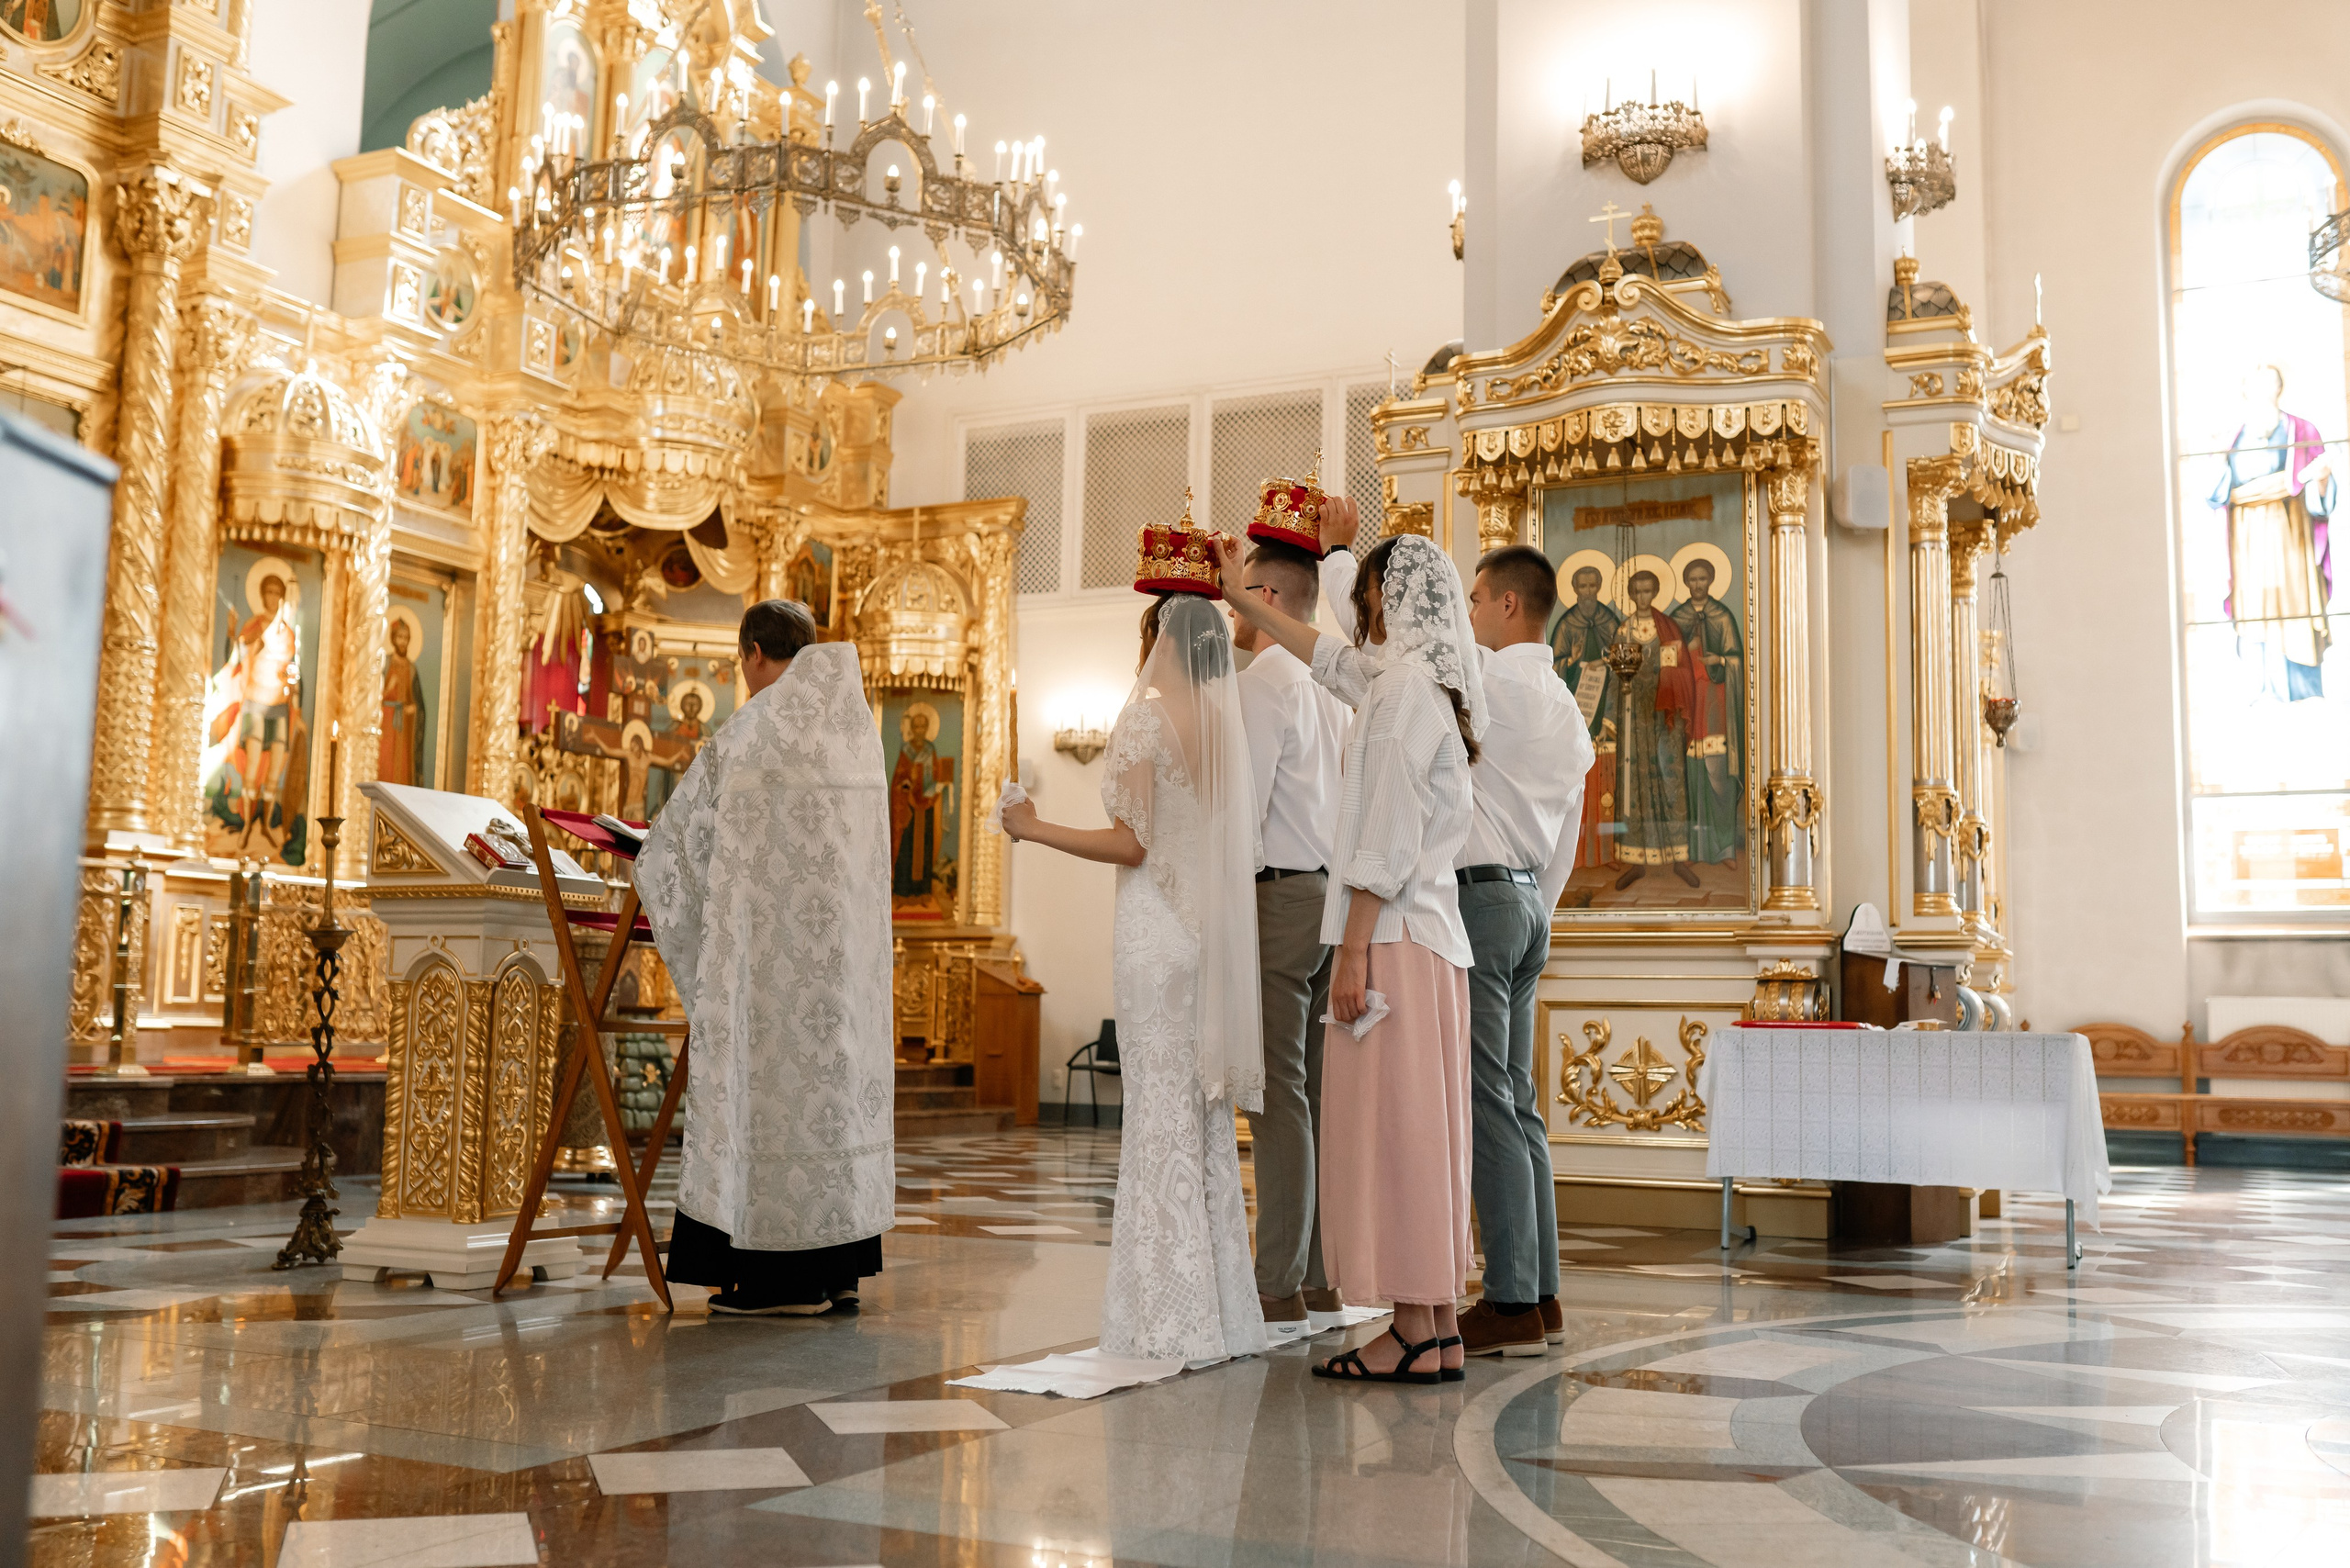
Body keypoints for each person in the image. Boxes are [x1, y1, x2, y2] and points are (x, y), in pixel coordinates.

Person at [1218, 522, 1482, 1385]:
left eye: (1366, 597)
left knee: (1395, 1134)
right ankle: (1435, 1323)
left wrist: (1354, 951)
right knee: (1427, 1134)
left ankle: (1407, 1327)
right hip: (1430, 943)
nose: (1357, 615)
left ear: (1390, 599)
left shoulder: (1404, 693)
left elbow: (1385, 832)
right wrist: (1238, 595)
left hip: (1394, 939)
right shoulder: (1415, 684)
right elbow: (1328, 657)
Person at [1002, 593, 1269, 1363]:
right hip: (1204, 937)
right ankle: (1220, 1309)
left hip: (1155, 935)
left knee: (1157, 1115)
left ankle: (1167, 1312)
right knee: (1204, 1118)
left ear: (1158, 639)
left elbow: (1133, 845)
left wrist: (1034, 829)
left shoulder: (1148, 716)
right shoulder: (1226, 724)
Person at [637, 599, 896, 1316]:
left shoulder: (749, 732)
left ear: (754, 653)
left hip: (767, 983)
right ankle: (838, 1268)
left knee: (770, 1107)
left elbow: (679, 846)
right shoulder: (853, 731)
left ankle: (775, 1283)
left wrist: (646, 856)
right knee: (829, 1109)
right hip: (840, 984)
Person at [1451, 545, 1594, 1357]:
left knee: (1489, 1104)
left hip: (1481, 899)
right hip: (1533, 903)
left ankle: (1507, 1303)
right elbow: (1568, 840)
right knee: (1522, 1100)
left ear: (1508, 605)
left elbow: (1380, 656)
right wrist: (1535, 909)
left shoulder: (1486, 678)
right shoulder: (1566, 707)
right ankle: (1541, 1295)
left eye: (1475, 599)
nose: (1467, 613)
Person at [1227, 538, 1348, 1338]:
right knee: (1311, 1093)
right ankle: (1317, 1277)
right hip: (1331, 898)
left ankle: (1276, 1281)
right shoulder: (1330, 682)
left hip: (1280, 899)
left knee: (1277, 1095)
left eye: (1238, 591)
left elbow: (1243, 808)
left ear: (1265, 593)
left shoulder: (1265, 681)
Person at [2210, 364, 2335, 701]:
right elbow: (2216, 493)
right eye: (2256, 386)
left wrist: (2320, 478)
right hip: (2249, 538)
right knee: (2255, 611)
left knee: (2296, 606)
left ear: (2280, 389)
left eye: (2270, 385)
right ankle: (2258, 688)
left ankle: (2301, 692)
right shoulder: (2233, 437)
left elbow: (2318, 490)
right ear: (2245, 392)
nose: (2264, 392)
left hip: (2290, 533)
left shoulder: (2302, 430)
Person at [1612, 569, 1699, 890]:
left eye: (1649, 590)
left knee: (1670, 780)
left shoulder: (1668, 628)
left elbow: (1683, 672)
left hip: (1665, 720)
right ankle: (1636, 862)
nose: (1643, 597)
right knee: (1636, 787)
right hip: (1634, 718)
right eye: (1638, 591)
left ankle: (1678, 859)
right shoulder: (1624, 629)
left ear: (1656, 592)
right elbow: (1614, 676)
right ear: (1632, 595)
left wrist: (1668, 676)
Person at [1670, 558, 1744, 867]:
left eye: (1703, 579)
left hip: (1715, 704)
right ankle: (1692, 848)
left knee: (1718, 776)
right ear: (1686, 583)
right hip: (1689, 706)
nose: (1698, 584)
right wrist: (1685, 651)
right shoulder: (1677, 617)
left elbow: (1737, 660)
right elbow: (1666, 658)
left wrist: (1721, 662)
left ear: (1711, 581)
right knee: (1690, 777)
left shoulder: (1722, 616)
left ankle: (1724, 847)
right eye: (1692, 579)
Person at [1550, 565, 1619, 870]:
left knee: (1606, 783)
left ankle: (1606, 853)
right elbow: (1551, 672)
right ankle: (1577, 855)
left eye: (1594, 586)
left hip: (1604, 708)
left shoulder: (1610, 621)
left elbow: (1621, 666)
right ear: (1575, 589)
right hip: (1576, 710)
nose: (1589, 592)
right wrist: (1572, 661)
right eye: (1583, 586)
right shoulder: (1566, 625)